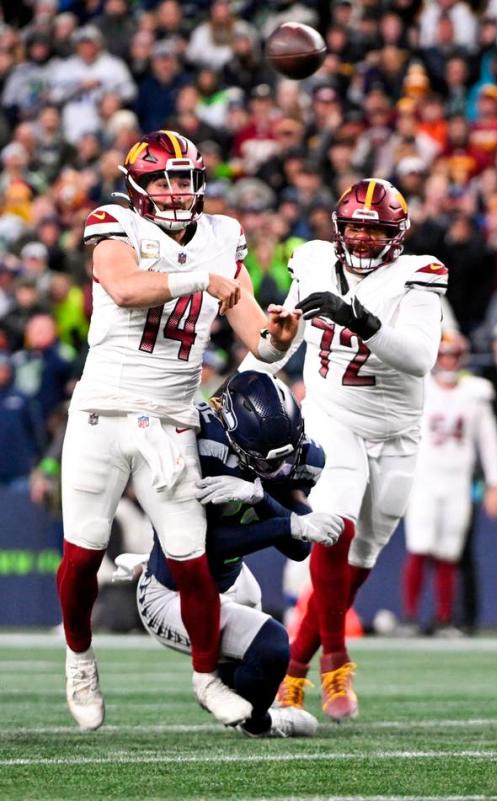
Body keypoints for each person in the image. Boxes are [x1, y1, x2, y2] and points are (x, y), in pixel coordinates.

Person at [59, 130, 301, 732]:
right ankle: (79, 659)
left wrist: (282, 336)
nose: (174, 189)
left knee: (191, 560)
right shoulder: (115, 223)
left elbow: (259, 341)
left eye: (183, 178)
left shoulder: (223, 237)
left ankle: (205, 679)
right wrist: (201, 280)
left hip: (170, 419)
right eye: (163, 178)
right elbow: (123, 286)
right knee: (83, 554)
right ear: (137, 185)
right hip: (104, 411)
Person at [242, 178, 446, 722]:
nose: (359, 237)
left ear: (395, 235)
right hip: (333, 415)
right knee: (335, 525)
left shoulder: (417, 274)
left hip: (398, 432)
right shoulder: (310, 260)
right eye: (352, 225)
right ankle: (337, 659)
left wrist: (357, 317)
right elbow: (279, 342)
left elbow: (420, 357)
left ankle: (293, 672)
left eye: (371, 228)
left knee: (362, 560)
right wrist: (261, 360)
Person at [124, 371, 332, 737]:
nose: (277, 469)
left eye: (284, 459)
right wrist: (283, 521)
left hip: (232, 578)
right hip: (173, 590)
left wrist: (260, 497)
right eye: (264, 461)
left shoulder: (299, 454)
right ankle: (264, 724)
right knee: (271, 644)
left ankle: (235, 697)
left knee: (255, 661)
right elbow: (203, 546)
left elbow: (299, 548)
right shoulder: (196, 446)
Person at [400, 331, 497, 635]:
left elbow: (488, 442)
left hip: (458, 480)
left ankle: (444, 618)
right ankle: (409, 617)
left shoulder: (475, 393)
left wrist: (494, 483)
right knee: (419, 545)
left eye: (452, 355)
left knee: (449, 551)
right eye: (443, 355)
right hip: (424, 478)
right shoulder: (420, 390)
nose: (447, 361)